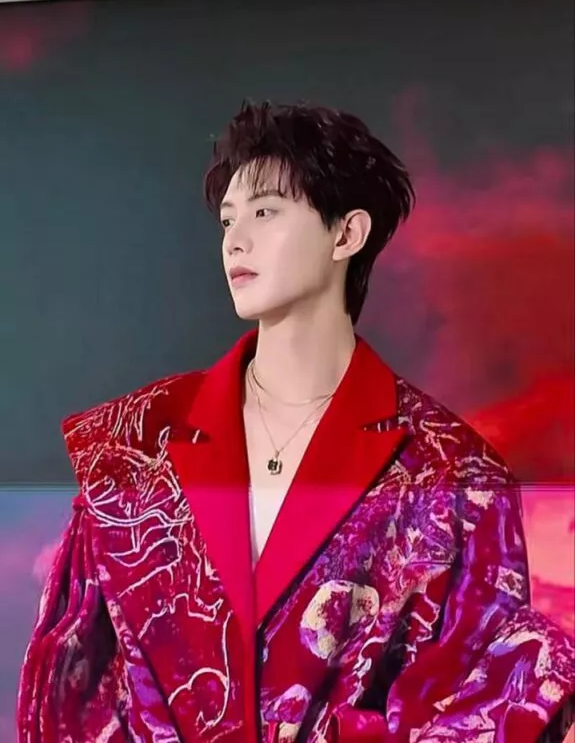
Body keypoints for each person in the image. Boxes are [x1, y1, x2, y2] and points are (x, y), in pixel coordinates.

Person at [17, 99, 575, 742]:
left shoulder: (453, 473)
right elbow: (73, 699)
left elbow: (478, 696)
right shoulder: (134, 444)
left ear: (347, 235)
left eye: (265, 212)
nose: (235, 239)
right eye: (228, 219)